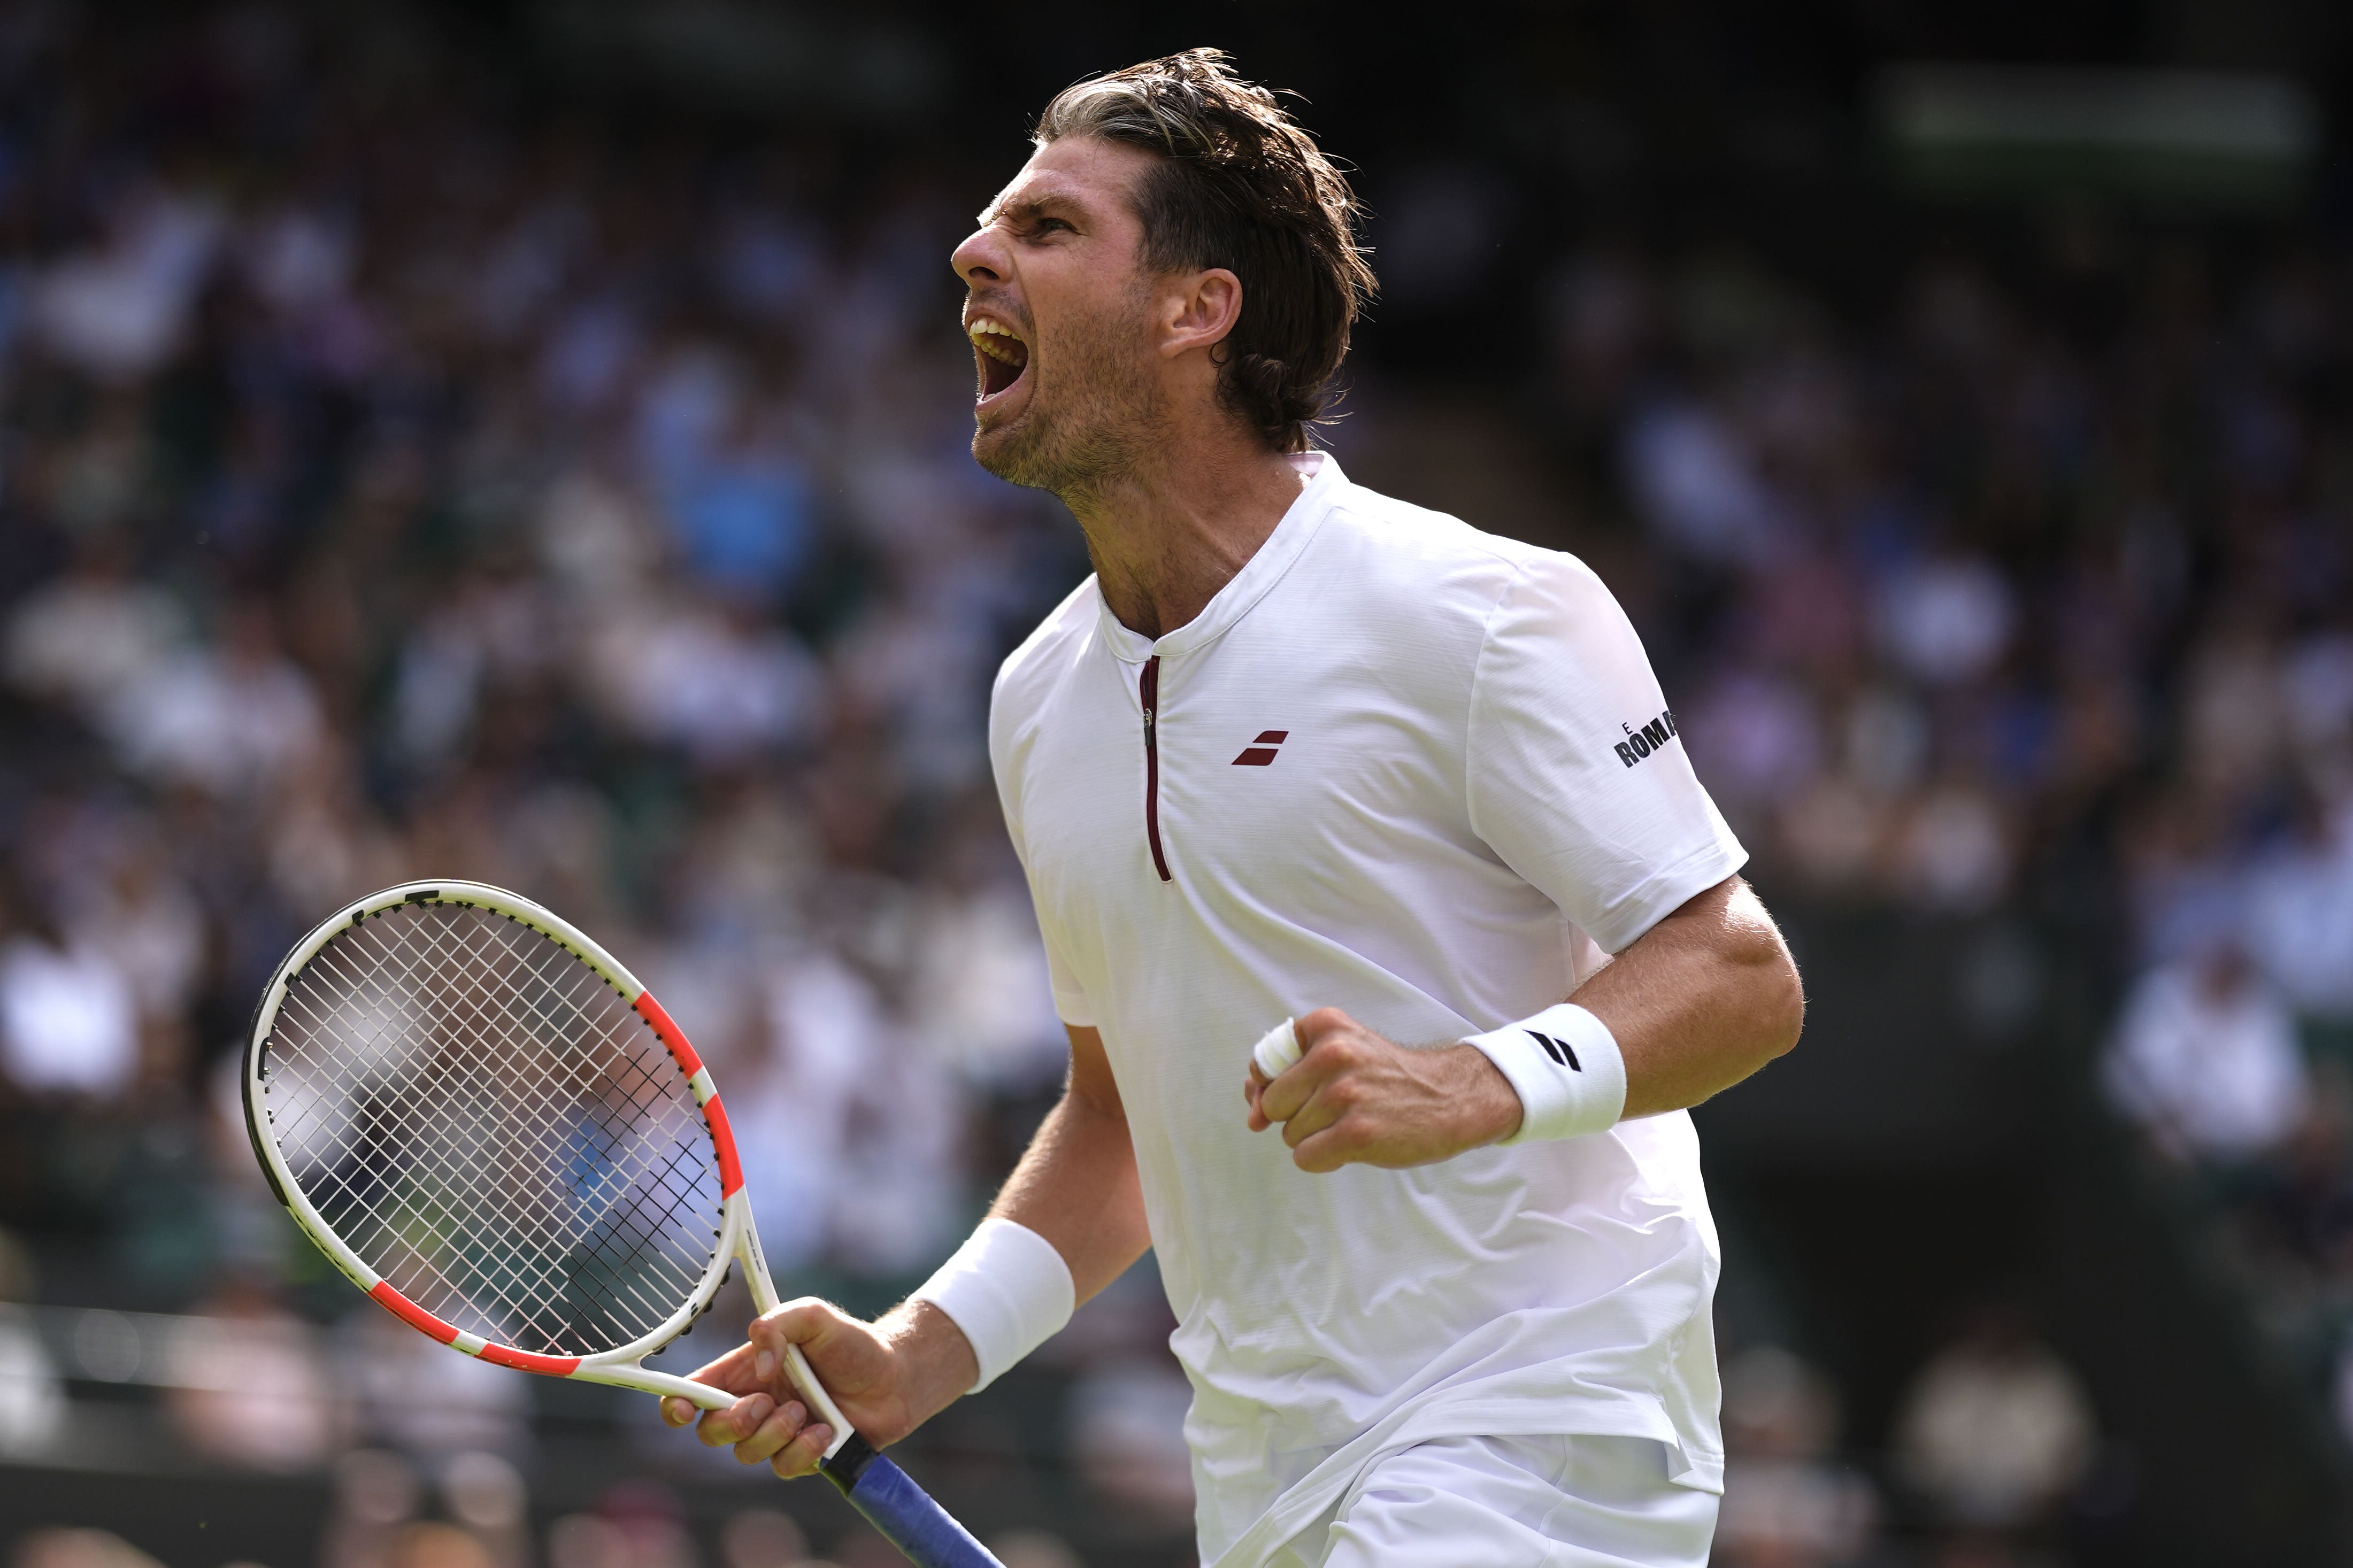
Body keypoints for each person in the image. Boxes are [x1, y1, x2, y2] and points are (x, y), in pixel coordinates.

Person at [661, 50, 1804, 1568]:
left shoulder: (1481, 612)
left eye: (1051, 227)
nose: (972, 252)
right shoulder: (1037, 700)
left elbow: (1741, 976)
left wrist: (1471, 1083)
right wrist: (922, 1354)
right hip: (1262, 1472)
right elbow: (1126, 1114)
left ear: (1199, 309)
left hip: (1535, 1421)